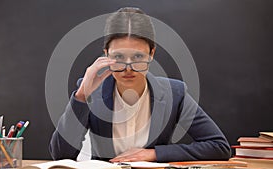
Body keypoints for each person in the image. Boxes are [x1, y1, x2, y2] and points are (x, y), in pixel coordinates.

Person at [49, 7, 231, 162]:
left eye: (138, 57)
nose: (129, 68)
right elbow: (61, 155)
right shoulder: (90, 91)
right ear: (106, 54)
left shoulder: (175, 93)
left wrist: (153, 154)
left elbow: (219, 146)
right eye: (118, 57)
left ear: (151, 53)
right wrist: (81, 96)